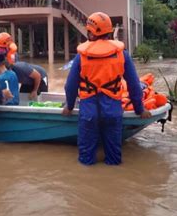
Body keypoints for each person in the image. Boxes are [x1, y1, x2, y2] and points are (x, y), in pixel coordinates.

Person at [62, 12, 151, 166]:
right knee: (114, 159)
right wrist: (139, 109)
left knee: (86, 160)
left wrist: (69, 106)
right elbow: (134, 85)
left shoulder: (81, 56)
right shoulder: (122, 54)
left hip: (88, 113)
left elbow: (70, 86)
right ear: (109, 31)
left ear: (92, 32)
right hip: (112, 111)